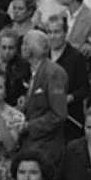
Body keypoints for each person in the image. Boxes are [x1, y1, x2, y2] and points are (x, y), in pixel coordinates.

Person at [16, 29, 67, 166]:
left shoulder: (54, 73)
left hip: (46, 146)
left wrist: (29, 126)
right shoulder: (33, 71)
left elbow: (58, 114)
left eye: (25, 43)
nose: (22, 47)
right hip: (31, 144)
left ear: (35, 48)